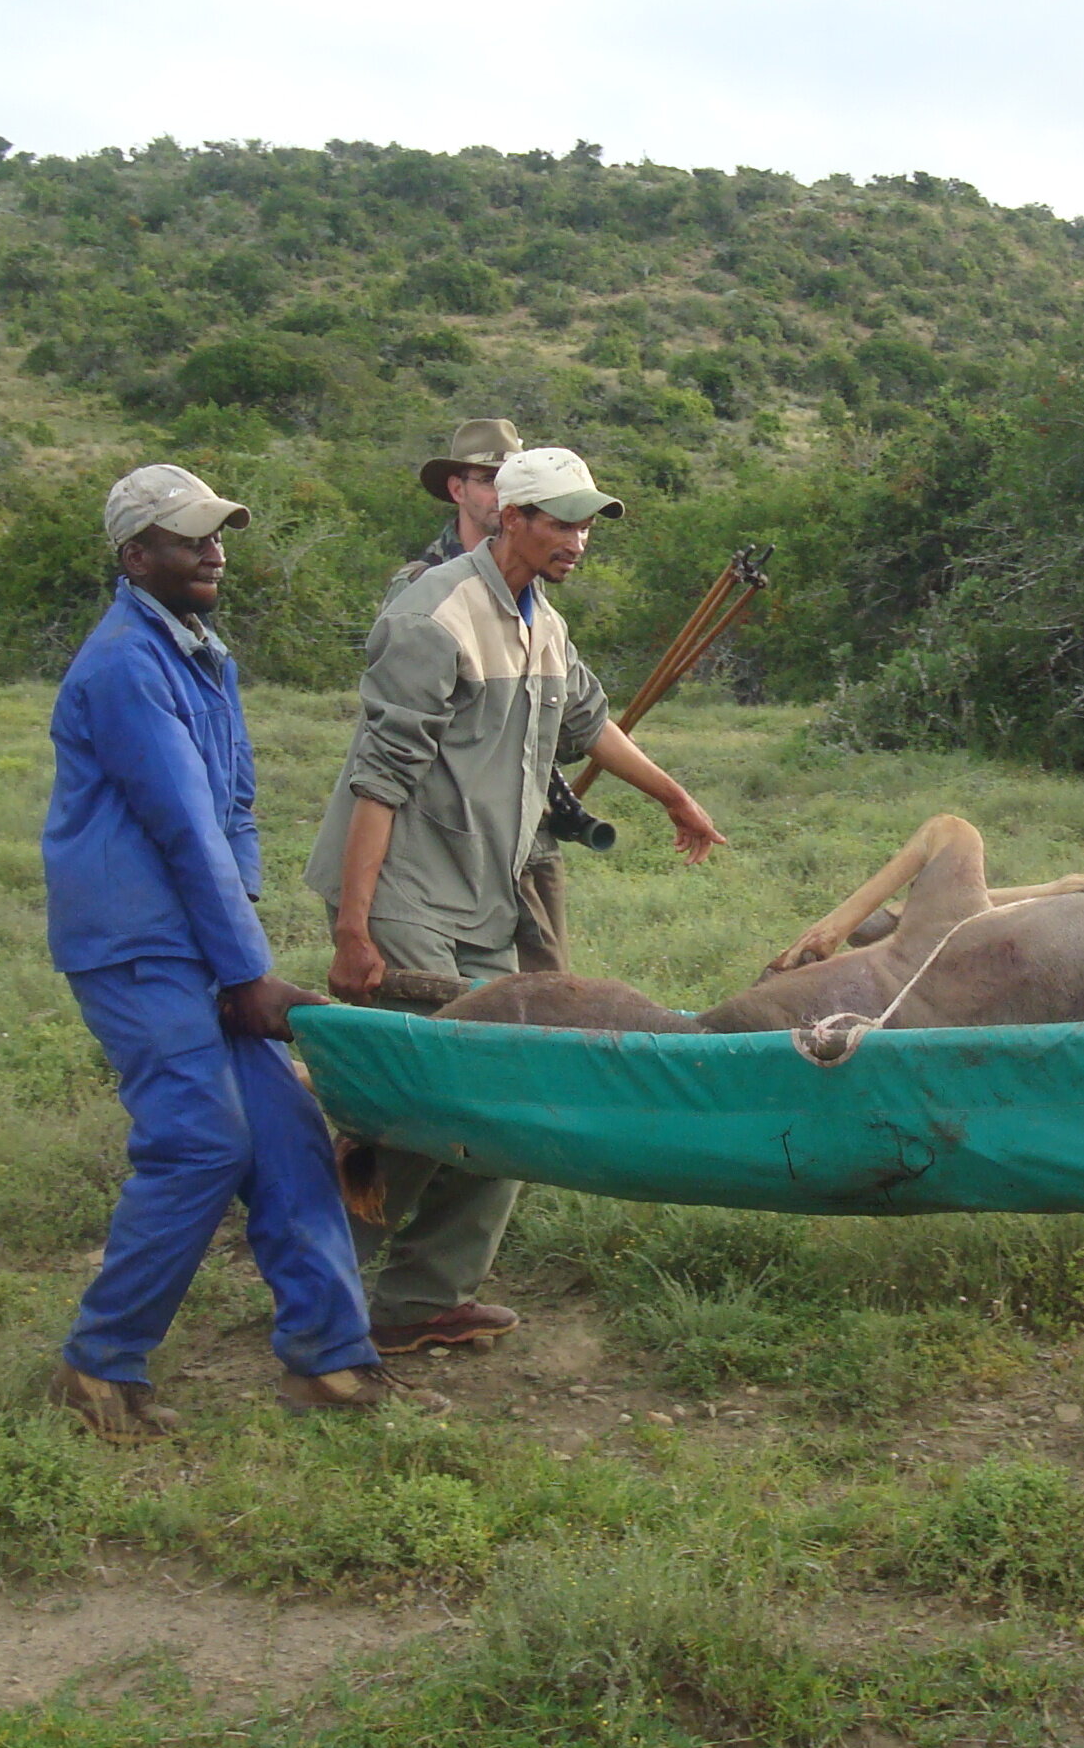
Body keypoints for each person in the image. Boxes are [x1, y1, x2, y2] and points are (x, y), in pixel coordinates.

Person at [305, 445, 725, 1358]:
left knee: (505, 1098)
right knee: (414, 1098)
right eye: (561, 520)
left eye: (586, 522)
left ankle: (421, 1302)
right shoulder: (434, 615)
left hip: (486, 891)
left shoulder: (544, 623)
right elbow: (378, 782)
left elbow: (588, 723)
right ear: (511, 517)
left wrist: (672, 796)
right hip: (407, 889)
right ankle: (315, 1291)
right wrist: (353, 925)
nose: (578, 538)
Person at [42, 464, 436, 1431]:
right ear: (136, 557)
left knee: (290, 1136)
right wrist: (248, 971)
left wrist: (236, 951)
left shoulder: (199, 651)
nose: (214, 550)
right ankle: (100, 1367)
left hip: (197, 939)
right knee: (199, 1143)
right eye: (188, 537)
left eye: (218, 533)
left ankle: (330, 1361)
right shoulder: (130, 665)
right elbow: (181, 826)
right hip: (135, 945)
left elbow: (235, 808)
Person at [385, 420, 569, 974]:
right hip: (445, 838)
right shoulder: (423, 588)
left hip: (525, 826)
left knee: (551, 990)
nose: (499, 490)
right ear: (457, 489)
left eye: (510, 477)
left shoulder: (534, 584)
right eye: (487, 478)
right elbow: (396, 747)